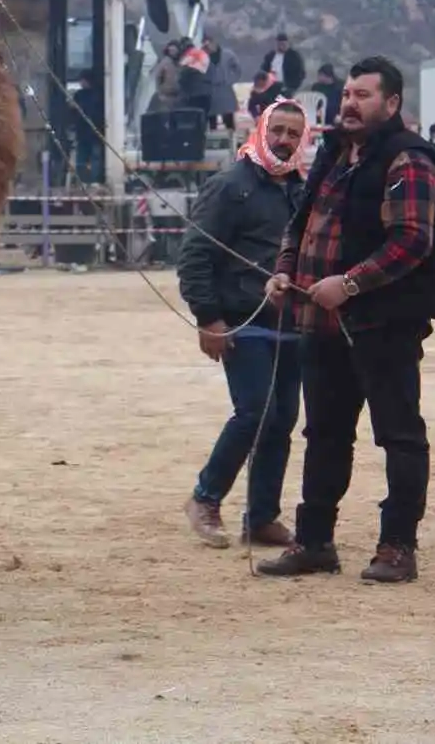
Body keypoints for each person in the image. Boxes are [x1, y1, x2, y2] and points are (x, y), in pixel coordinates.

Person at [260, 56, 435, 583]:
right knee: (323, 435)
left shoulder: (409, 160)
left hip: (384, 324)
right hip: (320, 325)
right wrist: (283, 270)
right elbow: (300, 222)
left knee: (399, 435)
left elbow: (412, 240)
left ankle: (397, 548)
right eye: (347, 94)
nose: (350, 103)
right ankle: (315, 543)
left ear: (391, 104)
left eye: (363, 95)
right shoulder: (335, 153)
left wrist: (350, 283)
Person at [179, 99, 309, 548]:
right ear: (261, 129)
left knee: (283, 421)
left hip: (292, 324)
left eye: (294, 133)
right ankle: (205, 497)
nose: (284, 140)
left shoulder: (301, 191)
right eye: (278, 129)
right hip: (243, 321)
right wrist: (208, 318)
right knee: (257, 412)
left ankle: (260, 518)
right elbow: (195, 255)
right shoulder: (229, 185)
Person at [70, 72, 104, 184]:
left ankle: (88, 180)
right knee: (85, 159)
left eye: (81, 80)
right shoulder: (86, 95)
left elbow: (75, 112)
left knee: (90, 158)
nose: (80, 83)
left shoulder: (91, 95)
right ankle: (86, 180)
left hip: (90, 132)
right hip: (90, 132)